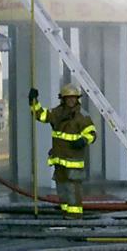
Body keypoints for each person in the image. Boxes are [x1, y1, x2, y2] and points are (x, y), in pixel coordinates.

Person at [29, 82, 97, 220]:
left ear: (77, 99)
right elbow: (41, 115)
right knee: (62, 190)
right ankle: (66, 215)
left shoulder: (82, 116)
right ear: (63, 99)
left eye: (74, 98)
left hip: (73, 161)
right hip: (59, 160)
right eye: (68, 98)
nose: (71, 100)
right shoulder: (57, 113)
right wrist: (33, 101)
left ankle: (75, 217)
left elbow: (92, 134)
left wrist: (83, 140)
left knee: (73, 190)